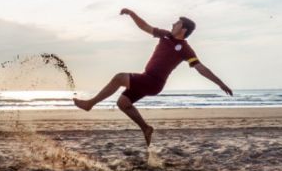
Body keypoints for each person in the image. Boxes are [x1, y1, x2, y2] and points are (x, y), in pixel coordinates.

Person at [73, 8, 233, 146]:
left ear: (183, 29)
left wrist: (220, 83)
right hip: (146, 78)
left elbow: (201, 68)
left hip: (154, 82)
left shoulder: (185, 49)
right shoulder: (165, 35)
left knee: (119, 77)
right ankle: (146, 128)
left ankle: (90, 104)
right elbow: (145, 26)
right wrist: (131, 13)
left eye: (176, 24)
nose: (172, 25)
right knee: (123, 103)